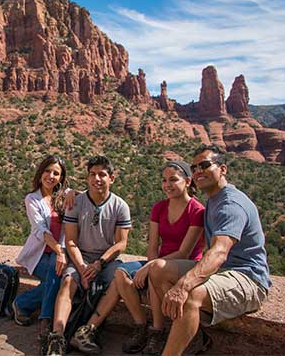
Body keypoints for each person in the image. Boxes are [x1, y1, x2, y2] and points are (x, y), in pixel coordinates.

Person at [70, 160, 205, 355]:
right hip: (157, 262)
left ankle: (156, 332)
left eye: (173, 180)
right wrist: (150, 263)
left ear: (187, 181)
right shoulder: (159, 208)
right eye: (164, 180)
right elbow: (152, 246)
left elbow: (184, 253)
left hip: (184, 265)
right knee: (120, 273)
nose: (167, 184)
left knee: (154, 275)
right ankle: (141, 326)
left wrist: (151, 268)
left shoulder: (197, 211)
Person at [148, 144, 271, 356]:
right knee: (157, 268)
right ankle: (192, 335)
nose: (198, 171)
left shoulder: (230, 204)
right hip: (221, 272)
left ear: (223, 169)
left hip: (247, 278)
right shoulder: (213, 200)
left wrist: (183, 286)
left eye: (205, 165)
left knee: (190, 294)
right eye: (194, 167)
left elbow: (219, 252)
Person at [45, 155, 132, 356]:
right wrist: (83, 268)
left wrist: (99, 264)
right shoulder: (76, 202)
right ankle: (57, 337)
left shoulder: (120, 206)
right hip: (80, 256)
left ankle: (86, 331)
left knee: (118, 282)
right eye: (92, 174)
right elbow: (71, 241)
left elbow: (121, 244)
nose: (97, 179)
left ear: (112, 178)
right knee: (68, 282)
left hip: (106, 259)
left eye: (102, 174)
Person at [14, 155, 71, 341]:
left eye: (56, 173)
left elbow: (87, 195)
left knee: (55, 277)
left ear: (61, 178)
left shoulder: (64, 196)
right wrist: (60, 251)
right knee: (58, 272)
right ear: (40, 173)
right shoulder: (32, 199)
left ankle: (22, 303)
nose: (51, 176)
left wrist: (74, 192)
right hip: (39, 256)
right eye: (48, 171)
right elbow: (41, 230)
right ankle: (46, 321)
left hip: (57, 255)